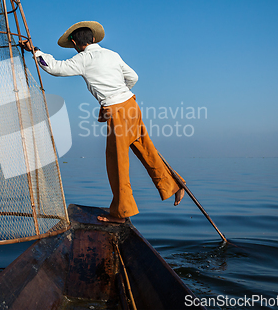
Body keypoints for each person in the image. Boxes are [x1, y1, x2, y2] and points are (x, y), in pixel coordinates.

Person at [20, 21, 184, 223]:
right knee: (146, 149)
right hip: (132, 105)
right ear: (94, 39)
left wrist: (35, 51)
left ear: (74, 42)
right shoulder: (112, 54)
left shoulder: (82, 59)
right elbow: (133, 77)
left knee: (117, 162)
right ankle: (174, 184)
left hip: (116, 112)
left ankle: (121, 213)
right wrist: (120, 91)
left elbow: (53, 68)